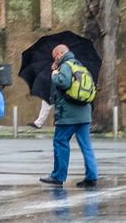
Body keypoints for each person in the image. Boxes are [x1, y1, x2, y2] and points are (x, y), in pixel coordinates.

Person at [40, 44, 98, 188]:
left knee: (60, 142)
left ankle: (58, 176)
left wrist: (54, 74)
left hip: (68, 114)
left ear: (59, 54)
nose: (55, 59)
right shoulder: (80, 66)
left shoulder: (66, 66)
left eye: (55, 57)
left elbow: (63, 83)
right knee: (86, 146)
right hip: (84, 113)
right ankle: (92, 176)